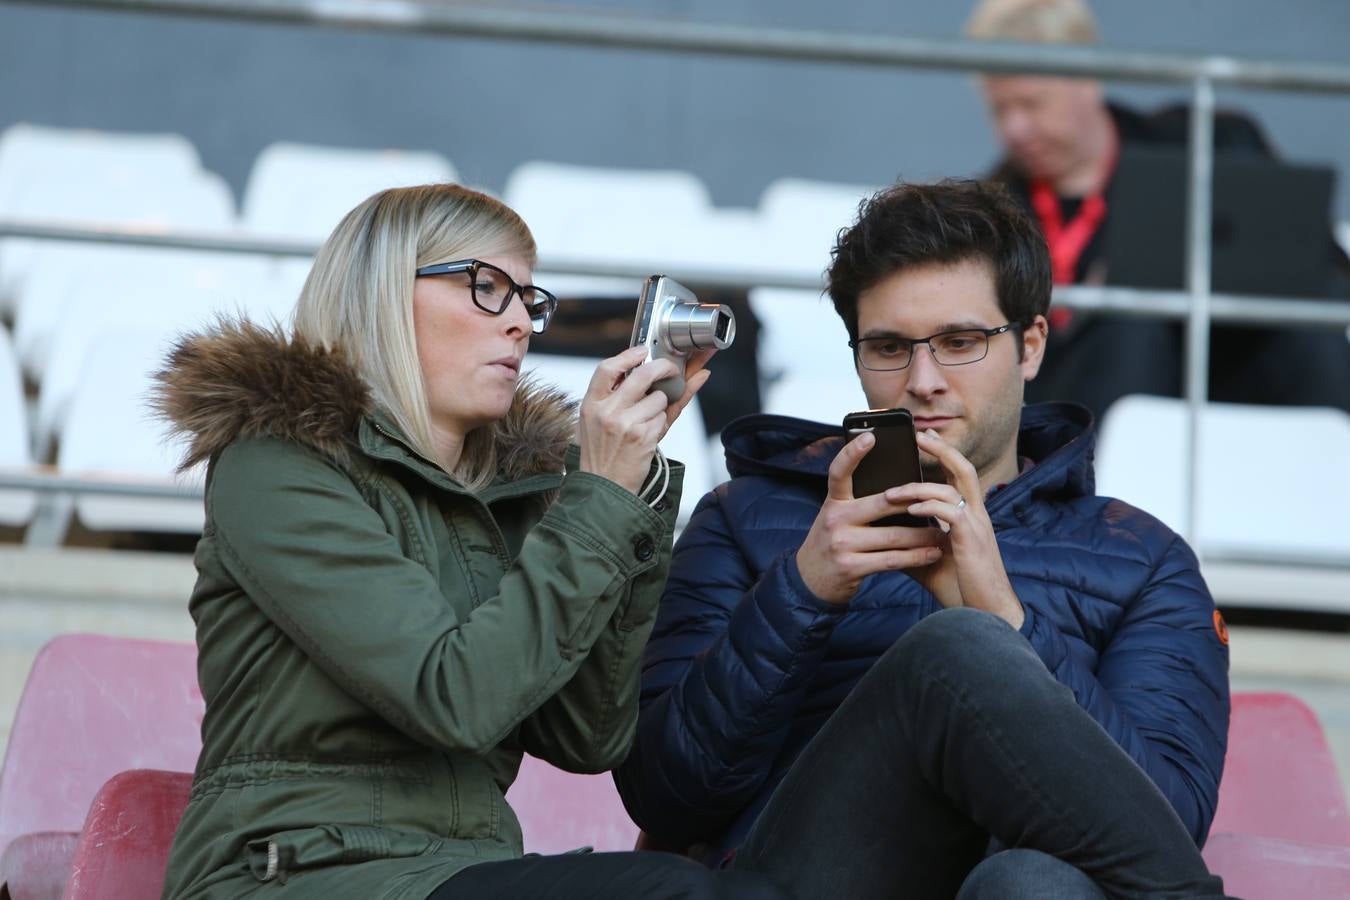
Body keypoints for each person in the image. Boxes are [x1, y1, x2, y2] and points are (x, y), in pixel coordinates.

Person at [151, 183, 787, 900]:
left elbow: (587, 736)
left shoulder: (513, 497)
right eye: (488, 288)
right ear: (384, 294)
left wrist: (625, 492)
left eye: (528, 298)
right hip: (293, 872)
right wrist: (597, 501)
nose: (521, 322)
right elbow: (452, 697)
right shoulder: (277, 465)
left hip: (457, 869)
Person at [614, 179, 1231, 899]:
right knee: (956, 648)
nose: (922, 380)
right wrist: (804, 589)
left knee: (1031, 883)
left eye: (961, 342)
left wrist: (1006, 614)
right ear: (856, 354)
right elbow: (665, 797)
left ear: (1031, 344)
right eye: (888, 347)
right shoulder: (745, 519)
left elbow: (1169, 824)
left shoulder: (1144, 561)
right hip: (805, 879)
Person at [965, 0, 1350, 421]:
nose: (1015, 128)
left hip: (1236, 369)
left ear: (1087, 78)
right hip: (1084, 389)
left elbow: (1324, 267)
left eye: (1032, 104)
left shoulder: (1209, 144)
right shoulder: (991, 210)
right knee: (1133, 319)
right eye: (999, 109)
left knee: (1311, 314)